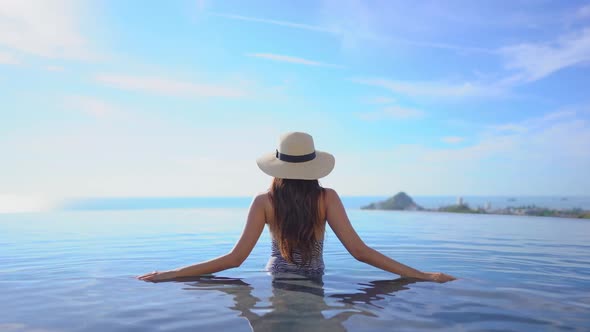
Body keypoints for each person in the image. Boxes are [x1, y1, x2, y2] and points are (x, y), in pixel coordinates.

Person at [137, 132, 456, 283]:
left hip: (277, 282)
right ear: (313, 166)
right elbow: (360, 252)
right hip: (314, 282)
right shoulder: (326, 198)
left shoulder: (264, 201)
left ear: (277, 166)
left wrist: (171, 274)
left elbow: (235, 260)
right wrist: (423, 275)